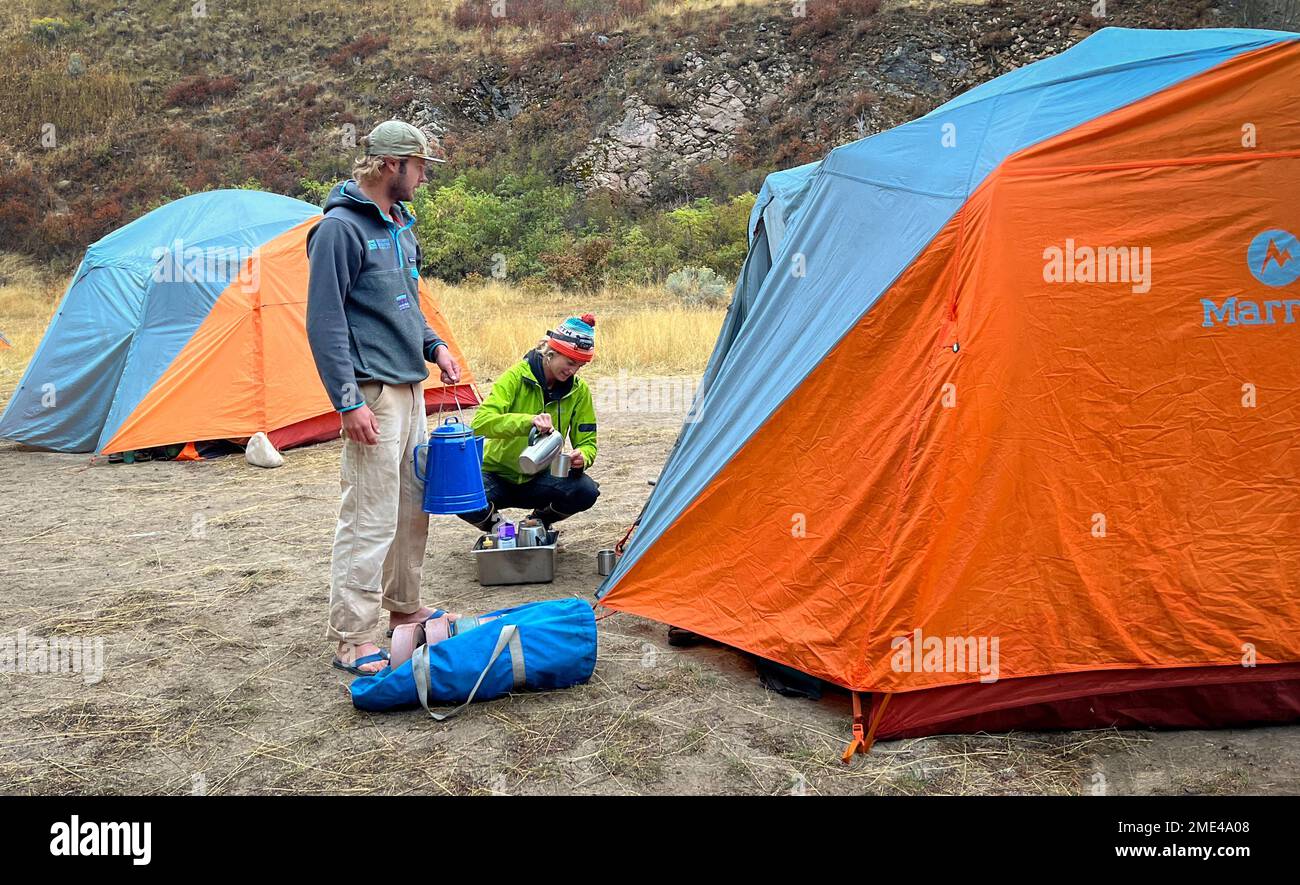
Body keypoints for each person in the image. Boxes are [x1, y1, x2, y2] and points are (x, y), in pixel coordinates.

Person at [306, 119, 461, 676]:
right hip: (371, 390)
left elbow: (406, 302)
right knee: (368, 514)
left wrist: (434, 345)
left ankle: (402, 607)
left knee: (410, 506)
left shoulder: (401, 225)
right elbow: (324, 322)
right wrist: (348, 402)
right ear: (393, 165)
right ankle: (351, 636)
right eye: (420, 167)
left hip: (410, 386)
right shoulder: (338, 230)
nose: (424, 177)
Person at [459, 316, 600, 532]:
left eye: (579, 366)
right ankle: (498, 526)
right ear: (551, 353)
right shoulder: (516, 377)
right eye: (570, 362)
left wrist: (583, 455)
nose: (573, 371)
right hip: (496, 475)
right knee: (461, 495)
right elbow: (480, 423)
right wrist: (527, 422)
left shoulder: (579, 392)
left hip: (541, 477)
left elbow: (588, 441)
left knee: (586, 491)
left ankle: (539, 521)